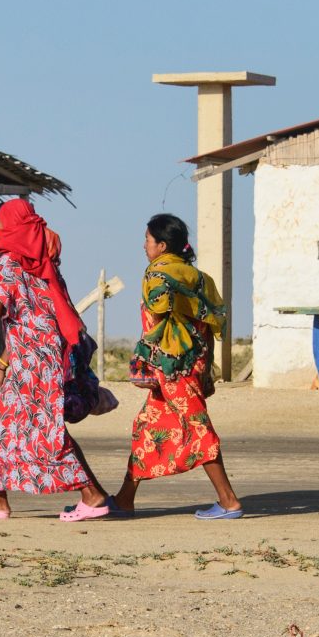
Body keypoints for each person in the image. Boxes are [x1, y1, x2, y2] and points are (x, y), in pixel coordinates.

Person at [0, 199, 111, 521]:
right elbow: (28, 322)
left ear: (13, 227)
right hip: (39, 359)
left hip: (33, 363)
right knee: (4, 422)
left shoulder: (11, 264)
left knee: (37, 428)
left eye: (2, 222)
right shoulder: (44, 265)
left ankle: (92, 494)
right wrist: (2, 366)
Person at [110, 214, 246, 520]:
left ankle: (228, 500)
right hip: (194, 363)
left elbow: (156, 320)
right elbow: (211, 324)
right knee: (147, 426)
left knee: (197, 426)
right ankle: (125, 498)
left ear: (161, 245)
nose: (143, 245)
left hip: (171, 367)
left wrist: (144, 362)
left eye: (147, 240)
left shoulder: (157, 275)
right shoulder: (198, 278)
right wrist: (207, 366)